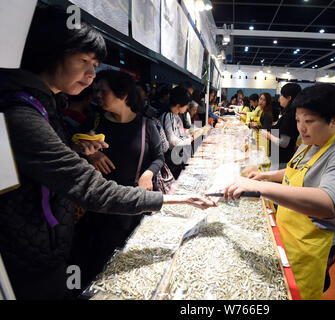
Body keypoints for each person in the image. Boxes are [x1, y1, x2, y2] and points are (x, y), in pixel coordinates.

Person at [0, 6, 216, 300]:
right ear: (52, 52)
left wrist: (75, 151)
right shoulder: (23, 113)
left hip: (52, 247)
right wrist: (176, 198)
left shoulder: (44, 106)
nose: (91, 75)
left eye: (95, 64)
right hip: (32, 261)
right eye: (84, 61)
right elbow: (92, 189)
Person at [224, 83, 335, 300]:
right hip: (288, 233)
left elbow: (328, 203)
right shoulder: (311, 143)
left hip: (311, 245)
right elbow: (294, 172)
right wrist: (265, 176)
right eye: (298, 120)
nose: (301, 128)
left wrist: (261, 187)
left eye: (309, 121)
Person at [73, 70, 167, 283]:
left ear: (123, 95)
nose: (96, 94)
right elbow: (73, 148)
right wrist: (91, 155)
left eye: (102, 91)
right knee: (97, 262)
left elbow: (159, 157)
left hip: (132, 207)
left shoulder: (146, 125)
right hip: (97, 207)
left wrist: (148, 173)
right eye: (95, 90)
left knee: (127, 264)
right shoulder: (94, 122)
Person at [259, 83, 302, 169]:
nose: (280, 98)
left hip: (281, 158)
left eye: (282, 95)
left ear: (289, 98)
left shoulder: (290, 116)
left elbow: (284, 143)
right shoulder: (289, 113)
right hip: (277, 156)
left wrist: (268, 135)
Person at [160, 86, 193, 179]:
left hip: (176, 157)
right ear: (179, 105)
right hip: (171, 159)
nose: (187, 107)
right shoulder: (168, 116)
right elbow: (172, 140)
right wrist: (188, 140)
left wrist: (189, 133)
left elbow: (179, 133)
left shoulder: (175, 116)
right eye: (186, 104)